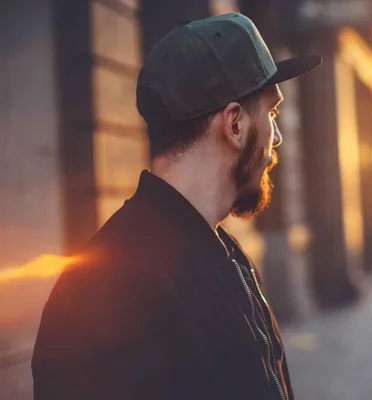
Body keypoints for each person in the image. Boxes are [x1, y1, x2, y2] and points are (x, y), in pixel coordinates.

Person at [32, 13, 321, 400]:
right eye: (270, 113)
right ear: (234, 124)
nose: (278, 137)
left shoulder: (227, 256)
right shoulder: (104, 289)